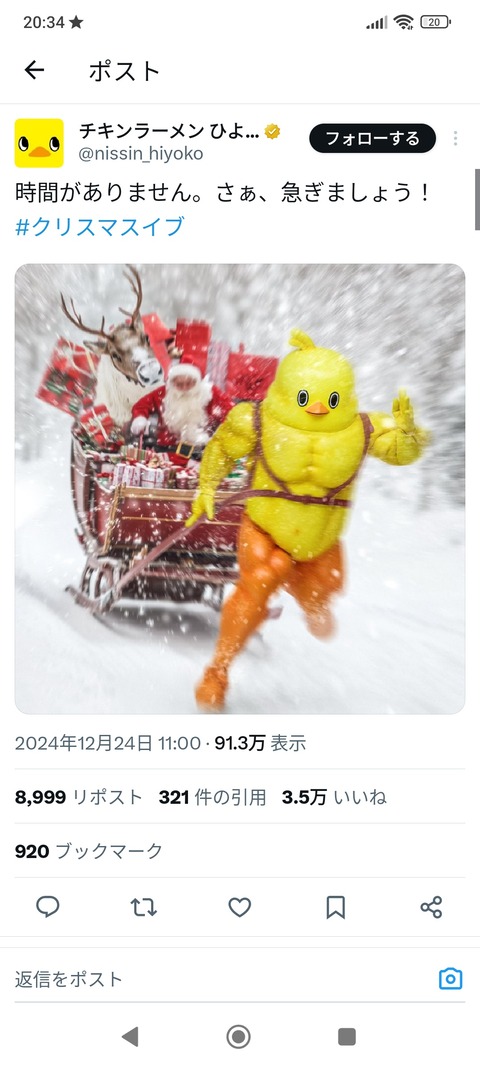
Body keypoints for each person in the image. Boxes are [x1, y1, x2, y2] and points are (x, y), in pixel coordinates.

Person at [130, 354, 234, 461]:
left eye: (189, 384)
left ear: (197, 381)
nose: (184, 388)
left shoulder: (209, 392)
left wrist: (222, 433)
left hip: (201, 449)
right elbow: (141, 405)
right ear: (172, 382)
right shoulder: (165, 392)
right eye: (179, 384)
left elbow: (233, 413)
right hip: (168, 447)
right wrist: (139, 418)